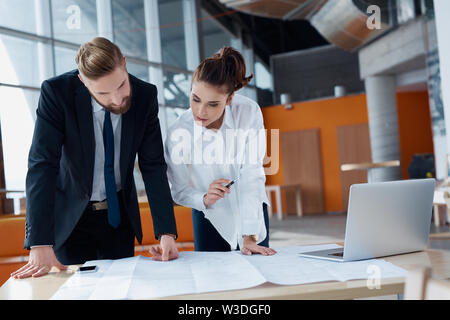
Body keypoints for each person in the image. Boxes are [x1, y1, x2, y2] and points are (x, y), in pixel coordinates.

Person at [11, 37, 179, 279]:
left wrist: (166, 232)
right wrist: (39, 242)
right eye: (102, 92)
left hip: (118, 219)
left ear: (124, 63)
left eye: (121, 85)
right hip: (71, 221)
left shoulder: (144, 96)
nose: (116, 99)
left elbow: (153, 165)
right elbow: (42, 165)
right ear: (83, 81)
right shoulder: (57, 94)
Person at [164, 46, 276, 256]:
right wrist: (204, 198)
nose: (201, 111)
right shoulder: (179, 131)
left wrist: (249, 234)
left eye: (213, 104)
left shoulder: (248, 112)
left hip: (251, 209)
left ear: (230, 99)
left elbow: (252, 173)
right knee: (212, 283)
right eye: (195, 99)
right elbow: (179, 190)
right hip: (209, 215)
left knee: (258, 278)